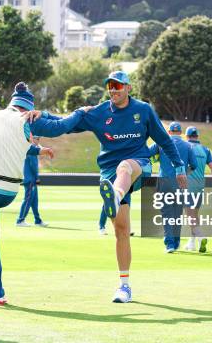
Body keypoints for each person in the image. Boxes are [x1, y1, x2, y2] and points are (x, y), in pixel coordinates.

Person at [37, 70, 187, 303]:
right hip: (108, 171)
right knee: (120, 231)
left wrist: (178, 166)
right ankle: (124, 286)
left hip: (138, 164)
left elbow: (164, 140)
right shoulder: (98, 113)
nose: (113, 90)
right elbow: (62, 125)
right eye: (110, 86)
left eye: (118, 86)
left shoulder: (143, 110)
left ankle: (115, 196)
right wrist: (39, 116)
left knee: (125, 168)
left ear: (128, 88)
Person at [0, 82, 90, 305]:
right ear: (29, 108)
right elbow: (60, 127)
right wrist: (80, 111)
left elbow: (7, 142)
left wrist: (37, 149)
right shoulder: (27, 121)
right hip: (8, 191)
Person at [149, 122, 197, 253]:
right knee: (177, 213)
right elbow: (194, 165)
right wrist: (184, 174)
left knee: (166, 213)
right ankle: (176, 243)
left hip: (164, 181)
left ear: (169, 132)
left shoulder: (161, 142)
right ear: (181, 133)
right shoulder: (188, 146)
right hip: (180, 183)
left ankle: (169, 244)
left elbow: (146, 154)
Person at [184, 126, 212, 252]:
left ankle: (200, 237)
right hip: (199, 186)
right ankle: (192, 242)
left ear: (187, 136)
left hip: (187, 185)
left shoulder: (185, 147)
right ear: (197, 136)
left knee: (190, 215)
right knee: (194, 214)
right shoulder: (205, 149)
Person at [16, 136, 50, 227]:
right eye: (37, 138)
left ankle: (37, 220)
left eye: (39, 138)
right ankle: (20, 220)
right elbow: (33, 165)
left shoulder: (31, 149)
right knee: (28, 200)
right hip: (30, 179)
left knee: (34, 201)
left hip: (29, 179)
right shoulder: (32, 150)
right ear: (32, 139)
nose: (38, 140)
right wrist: (37, 177)